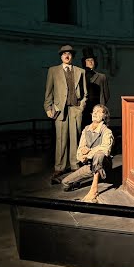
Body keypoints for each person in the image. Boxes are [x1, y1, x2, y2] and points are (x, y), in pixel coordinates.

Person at [45, 44, 87, 183]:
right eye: (64, 54)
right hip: (60, 109)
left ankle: (75, 164)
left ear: (72, 56)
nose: (66, 56)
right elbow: (49, 91)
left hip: (75, 108)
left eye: (69, 53)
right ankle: (60, 167)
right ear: (61, 56)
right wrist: (48, 107)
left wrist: (81, 106)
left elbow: (85, 93)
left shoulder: (80, 71)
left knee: (75, 137)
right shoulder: (53, 70)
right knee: (61, 139)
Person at [60, 104, 114, 203]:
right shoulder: (86, 130)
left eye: (99, 111)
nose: (95, 113)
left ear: (104, 116)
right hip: (90, 165)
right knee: (65, 183)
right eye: (94, 111)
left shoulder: (107, 131)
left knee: (99, 155)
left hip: (103, 165)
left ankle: (94, 190)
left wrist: (89, 152)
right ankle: (86, 180)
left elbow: (105, 149)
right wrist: (82, 156)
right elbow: (80, 149)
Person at [82, 47, 111, 121]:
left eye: (92, 60)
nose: (90, 62)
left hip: (97, 108)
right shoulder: (81, 76)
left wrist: (101, 106)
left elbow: (106, 94)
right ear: (84, 62)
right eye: (88, 60)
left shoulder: (102, 76)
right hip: (84, 109)